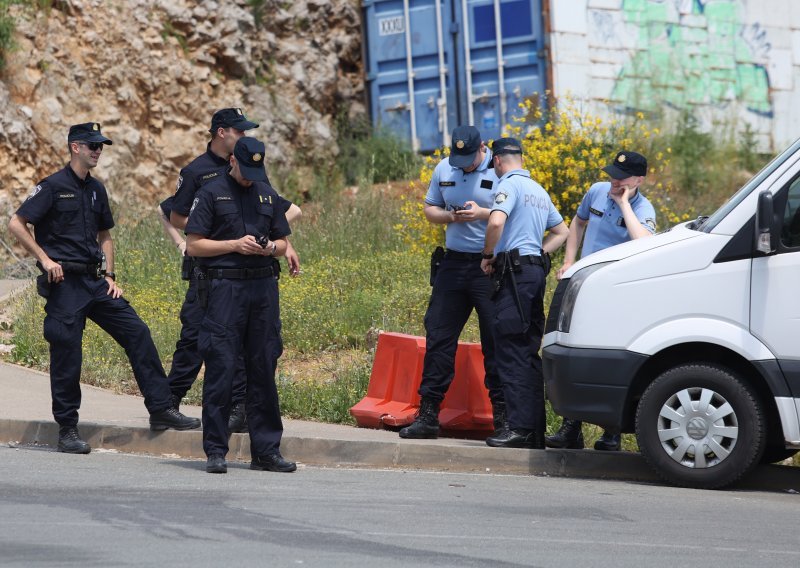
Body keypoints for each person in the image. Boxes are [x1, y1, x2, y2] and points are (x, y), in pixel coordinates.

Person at [8, 122, 200, 454]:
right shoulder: (52, 186)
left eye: (101, 146)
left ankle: (161, 409)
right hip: (64, 283)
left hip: (95, 283)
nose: (98, 151)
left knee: (137, 332)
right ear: (75, 148)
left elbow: (105, 236)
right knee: (67, 353)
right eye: (92, 145)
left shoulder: (96, 189)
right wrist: (45, 259)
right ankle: (67, 429)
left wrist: (110, 275)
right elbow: (16, 222)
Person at [160, 107, 301, 434]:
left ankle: (240, 409)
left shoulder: (250, 164)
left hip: (249, 271)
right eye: (239, 131)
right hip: (209, 269)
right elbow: (176, 215)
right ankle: (167, 402)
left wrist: (285, 246)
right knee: (196, 336)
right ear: (221, 132)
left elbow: (270, 213)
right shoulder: (198, 172)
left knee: (243, 344)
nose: (245, 136)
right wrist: (220, 232)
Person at [186, 136, 296, 474]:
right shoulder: (210, 193)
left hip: (262, 289)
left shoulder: (265, 191)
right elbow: (194, 246)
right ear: (232, 160)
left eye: (255, 171)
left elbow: (282, 241)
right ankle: (216, 450)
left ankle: (266, 451)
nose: (250, 177)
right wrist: (234, 244)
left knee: (263, 367)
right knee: (222, 366)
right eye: (245, 169)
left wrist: (270, 249)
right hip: (225, 289)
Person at [399, 125, 506, 439]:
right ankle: (429, 414)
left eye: (469, 158)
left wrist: (482, 214)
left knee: (495, 342)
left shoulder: (501, 171)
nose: (464, 164)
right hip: (453, 263)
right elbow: (430, 208)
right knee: (439, 337)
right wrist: (451, 217)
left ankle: (505, 418)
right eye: (458, 158)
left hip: (489, 265)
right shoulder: (444, 167)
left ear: (482, 149)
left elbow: (512, 213)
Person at [546, 150, 656, 451]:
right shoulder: (596, 192)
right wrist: (569, 260)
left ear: (638, 180)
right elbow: (578, 223)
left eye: (621, 178)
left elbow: (645, 244)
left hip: (615, 294)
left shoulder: (644, 208)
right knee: (574, 351)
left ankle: (611, 433)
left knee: (608, 358)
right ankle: (571, 429)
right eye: (611, 175)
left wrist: (623, 204)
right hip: (584, 285)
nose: (613, 181)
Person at [480, 138, 569, 449]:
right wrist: (540, 256)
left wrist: (488, 253)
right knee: (529, 350)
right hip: (533, 273)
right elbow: (563, 232)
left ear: (498, 161)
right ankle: (533, 429)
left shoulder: (508, 186)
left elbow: (495, 221)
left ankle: (518, 429)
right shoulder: (538, 190)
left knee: (510, 349)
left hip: (514, 275)